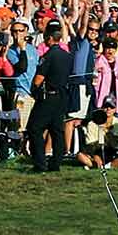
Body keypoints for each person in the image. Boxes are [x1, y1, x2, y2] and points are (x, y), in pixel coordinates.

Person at [28, 20, 72, 172]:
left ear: (48, 37)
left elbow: (39, 78)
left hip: (48, 97)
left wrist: (33, 90)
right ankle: (56, 163)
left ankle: (40, 163)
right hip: (62, 96)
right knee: (57, 130)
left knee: (34, 128)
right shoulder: (67, 56)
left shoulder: (48, 56)